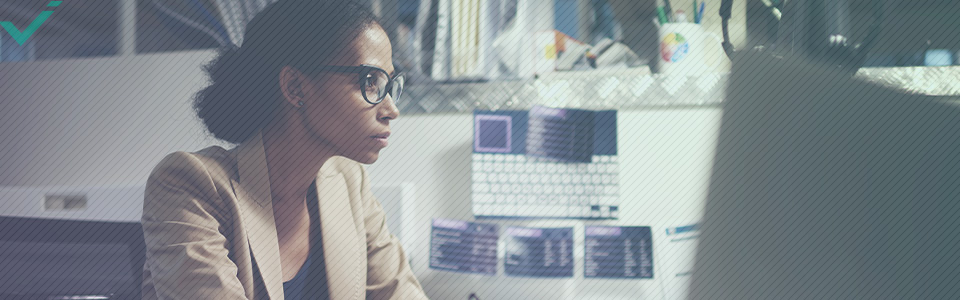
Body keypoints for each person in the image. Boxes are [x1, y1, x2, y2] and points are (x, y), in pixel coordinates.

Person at [140, 0, 428, 299]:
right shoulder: (189, 185)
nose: (391, 109)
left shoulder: (349, 183)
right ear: (295, 87)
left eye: (390, 84)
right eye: (370, 81)